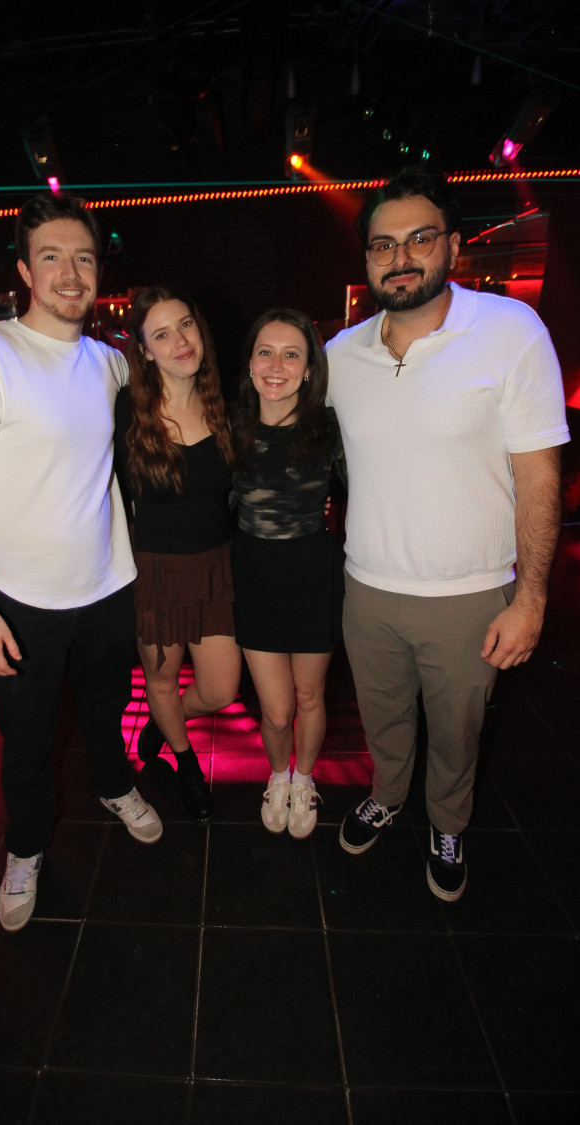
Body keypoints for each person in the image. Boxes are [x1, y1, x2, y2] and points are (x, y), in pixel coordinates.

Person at [325, 165, 569, 901]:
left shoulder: (510, 332)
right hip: (367, 589)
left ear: (454, 246)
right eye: (383, 245)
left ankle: (448, 821)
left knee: (458, 732)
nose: (400, 258)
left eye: (420, 239)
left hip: (470, 595)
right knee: (382, 719)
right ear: (367, 258)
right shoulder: (340, 354)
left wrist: (531, 600)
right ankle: (387, 794)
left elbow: (539, 476)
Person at [0, 193, 162, 934]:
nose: (71, 272)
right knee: (27, 743)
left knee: (105, 711)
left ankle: (114, 785)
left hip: (109, 585)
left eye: (84, 257)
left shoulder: (109, 363)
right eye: (53, 257)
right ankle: (26, 847)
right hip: (21, 601)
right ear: (26, 271)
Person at [115, 286, 241, 821]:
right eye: (162, 334)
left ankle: (165, 724)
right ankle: (185, 762)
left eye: (185, 325)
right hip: (157, 571)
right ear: (145, 350)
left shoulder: (225, 405)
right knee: (162, 680)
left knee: (220, 689)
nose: (180, 341)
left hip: (215, 569)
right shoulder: (128, 410)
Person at [231, 309, 345, 839]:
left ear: (309, 368)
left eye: (291, 354)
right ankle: (278, 776)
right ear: (250, 363)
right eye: (266, 352)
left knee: (310, 698)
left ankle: (304, 780)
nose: (276, 365)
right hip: (254, 578)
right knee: (276, 712)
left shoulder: (329, 428)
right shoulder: (230, 426)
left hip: (312, 577)